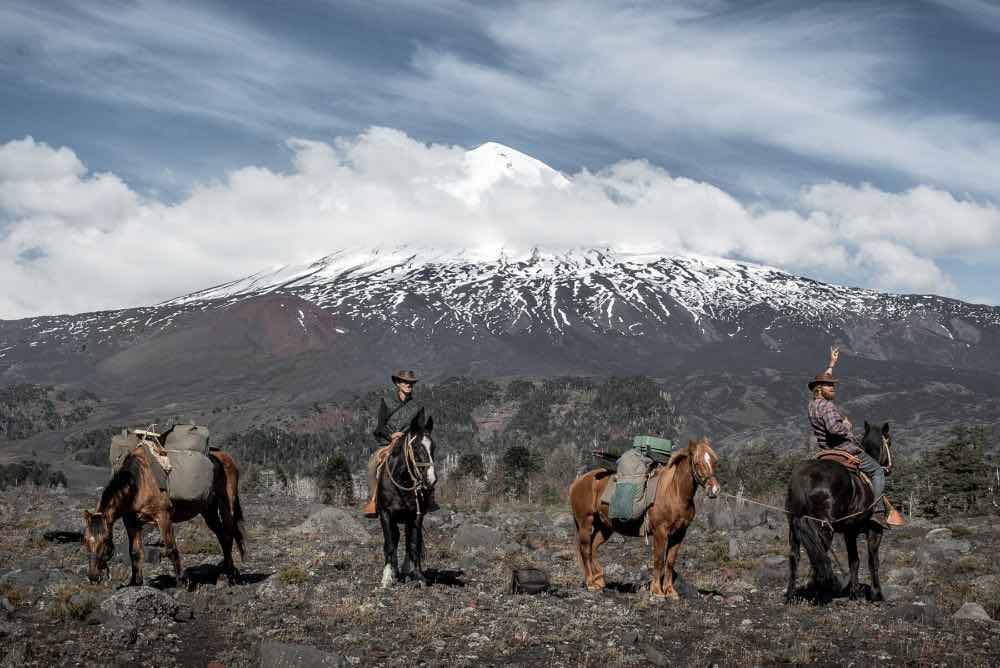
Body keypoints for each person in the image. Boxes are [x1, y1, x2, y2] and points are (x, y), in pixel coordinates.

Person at [807, 346, 891, 529]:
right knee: (877, 471)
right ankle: (876, 511)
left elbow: (823, 379)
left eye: (833, 385)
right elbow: (833, 428)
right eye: (830, 386)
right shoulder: (828, 407)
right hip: (843, 449)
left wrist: (831, 364)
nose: (833, 388)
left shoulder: (812, 405)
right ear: (820, 389)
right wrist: (847, 426)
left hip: (826, 450)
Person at [362, 370, 439, 518]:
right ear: (398, 383)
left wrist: (409, 437)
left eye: (411, 383)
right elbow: (380, 426)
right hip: (388, 442)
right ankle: (373, 500)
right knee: (372, 465)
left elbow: (420, 430)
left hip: (409, 444)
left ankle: (429, 500)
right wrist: (391, 435)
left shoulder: (417, 406)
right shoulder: (386, 401)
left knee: (425, 464)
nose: (408, 385)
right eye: (405, 382)